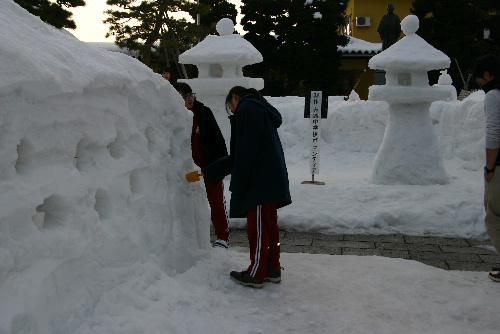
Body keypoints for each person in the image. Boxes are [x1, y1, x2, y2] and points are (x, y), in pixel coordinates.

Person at [203, 86, 291, 288]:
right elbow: (243, 152)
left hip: (259, 181)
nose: (233, 111)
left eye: (231, 106)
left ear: (235, 97)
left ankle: (257, 272)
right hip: (268, 177)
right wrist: (212, 171)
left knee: (258, 229)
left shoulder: (248, 109)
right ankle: (271, 267)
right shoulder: (259, 109)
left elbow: (245, 152)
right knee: (269, 226)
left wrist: (239, 181)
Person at [175, 82, 230, 248]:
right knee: (187, 201)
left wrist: (221, 164)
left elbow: (217, 139)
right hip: (186, 168)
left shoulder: (203, 113)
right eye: (184, 96)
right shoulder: (173, 115)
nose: (189, 99)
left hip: (208, 166)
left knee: (216, 201)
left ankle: (222, 236)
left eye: (190, 95)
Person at [474, 55, 500, 282]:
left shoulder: (494, 96)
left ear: (489, 75)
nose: (479, 82)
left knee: (494, 216)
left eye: (480, 77)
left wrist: (490, 167)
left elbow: (493, 134)